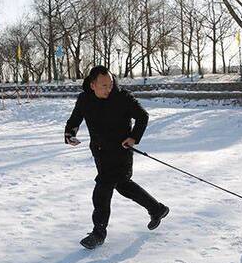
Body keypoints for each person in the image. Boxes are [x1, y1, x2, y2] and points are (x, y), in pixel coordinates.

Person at [65, 65, 169, 249]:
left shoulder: (123, 97)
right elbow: (74, 120)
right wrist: (70, 135)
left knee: (102, 190)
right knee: (122, 185)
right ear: (92, 85)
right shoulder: (84, 99)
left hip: (121, 151)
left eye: (111, 84)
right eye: (103, 85)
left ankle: (98, 233)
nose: (108, 89)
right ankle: (156, 209)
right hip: (99, 151)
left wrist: (133, 137)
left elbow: (142, 117)